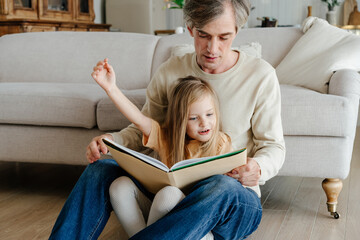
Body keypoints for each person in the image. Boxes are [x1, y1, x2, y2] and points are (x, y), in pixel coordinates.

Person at [49, 0, 286, 239]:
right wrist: (111, 140)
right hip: (168, 194)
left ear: (237, 31)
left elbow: (273, 147)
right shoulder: (171, 71)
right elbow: (143, 129)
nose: (213, 48)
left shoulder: (261, 75)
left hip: (230, 199)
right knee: (100, 169)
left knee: (221, 186)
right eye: (204, 35)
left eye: (224, 37)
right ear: (191, 28)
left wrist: (258, 167)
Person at [92, 63, 231, 238]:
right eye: (194, 118)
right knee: (120, 186)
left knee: (169, 194)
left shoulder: (220, 142)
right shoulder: (167, 138)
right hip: (161, 212)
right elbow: (138, 119)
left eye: (210, 115)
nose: (204, 123)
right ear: (180, 121)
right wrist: (111, 88)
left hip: (197, 225)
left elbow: (226, 188)